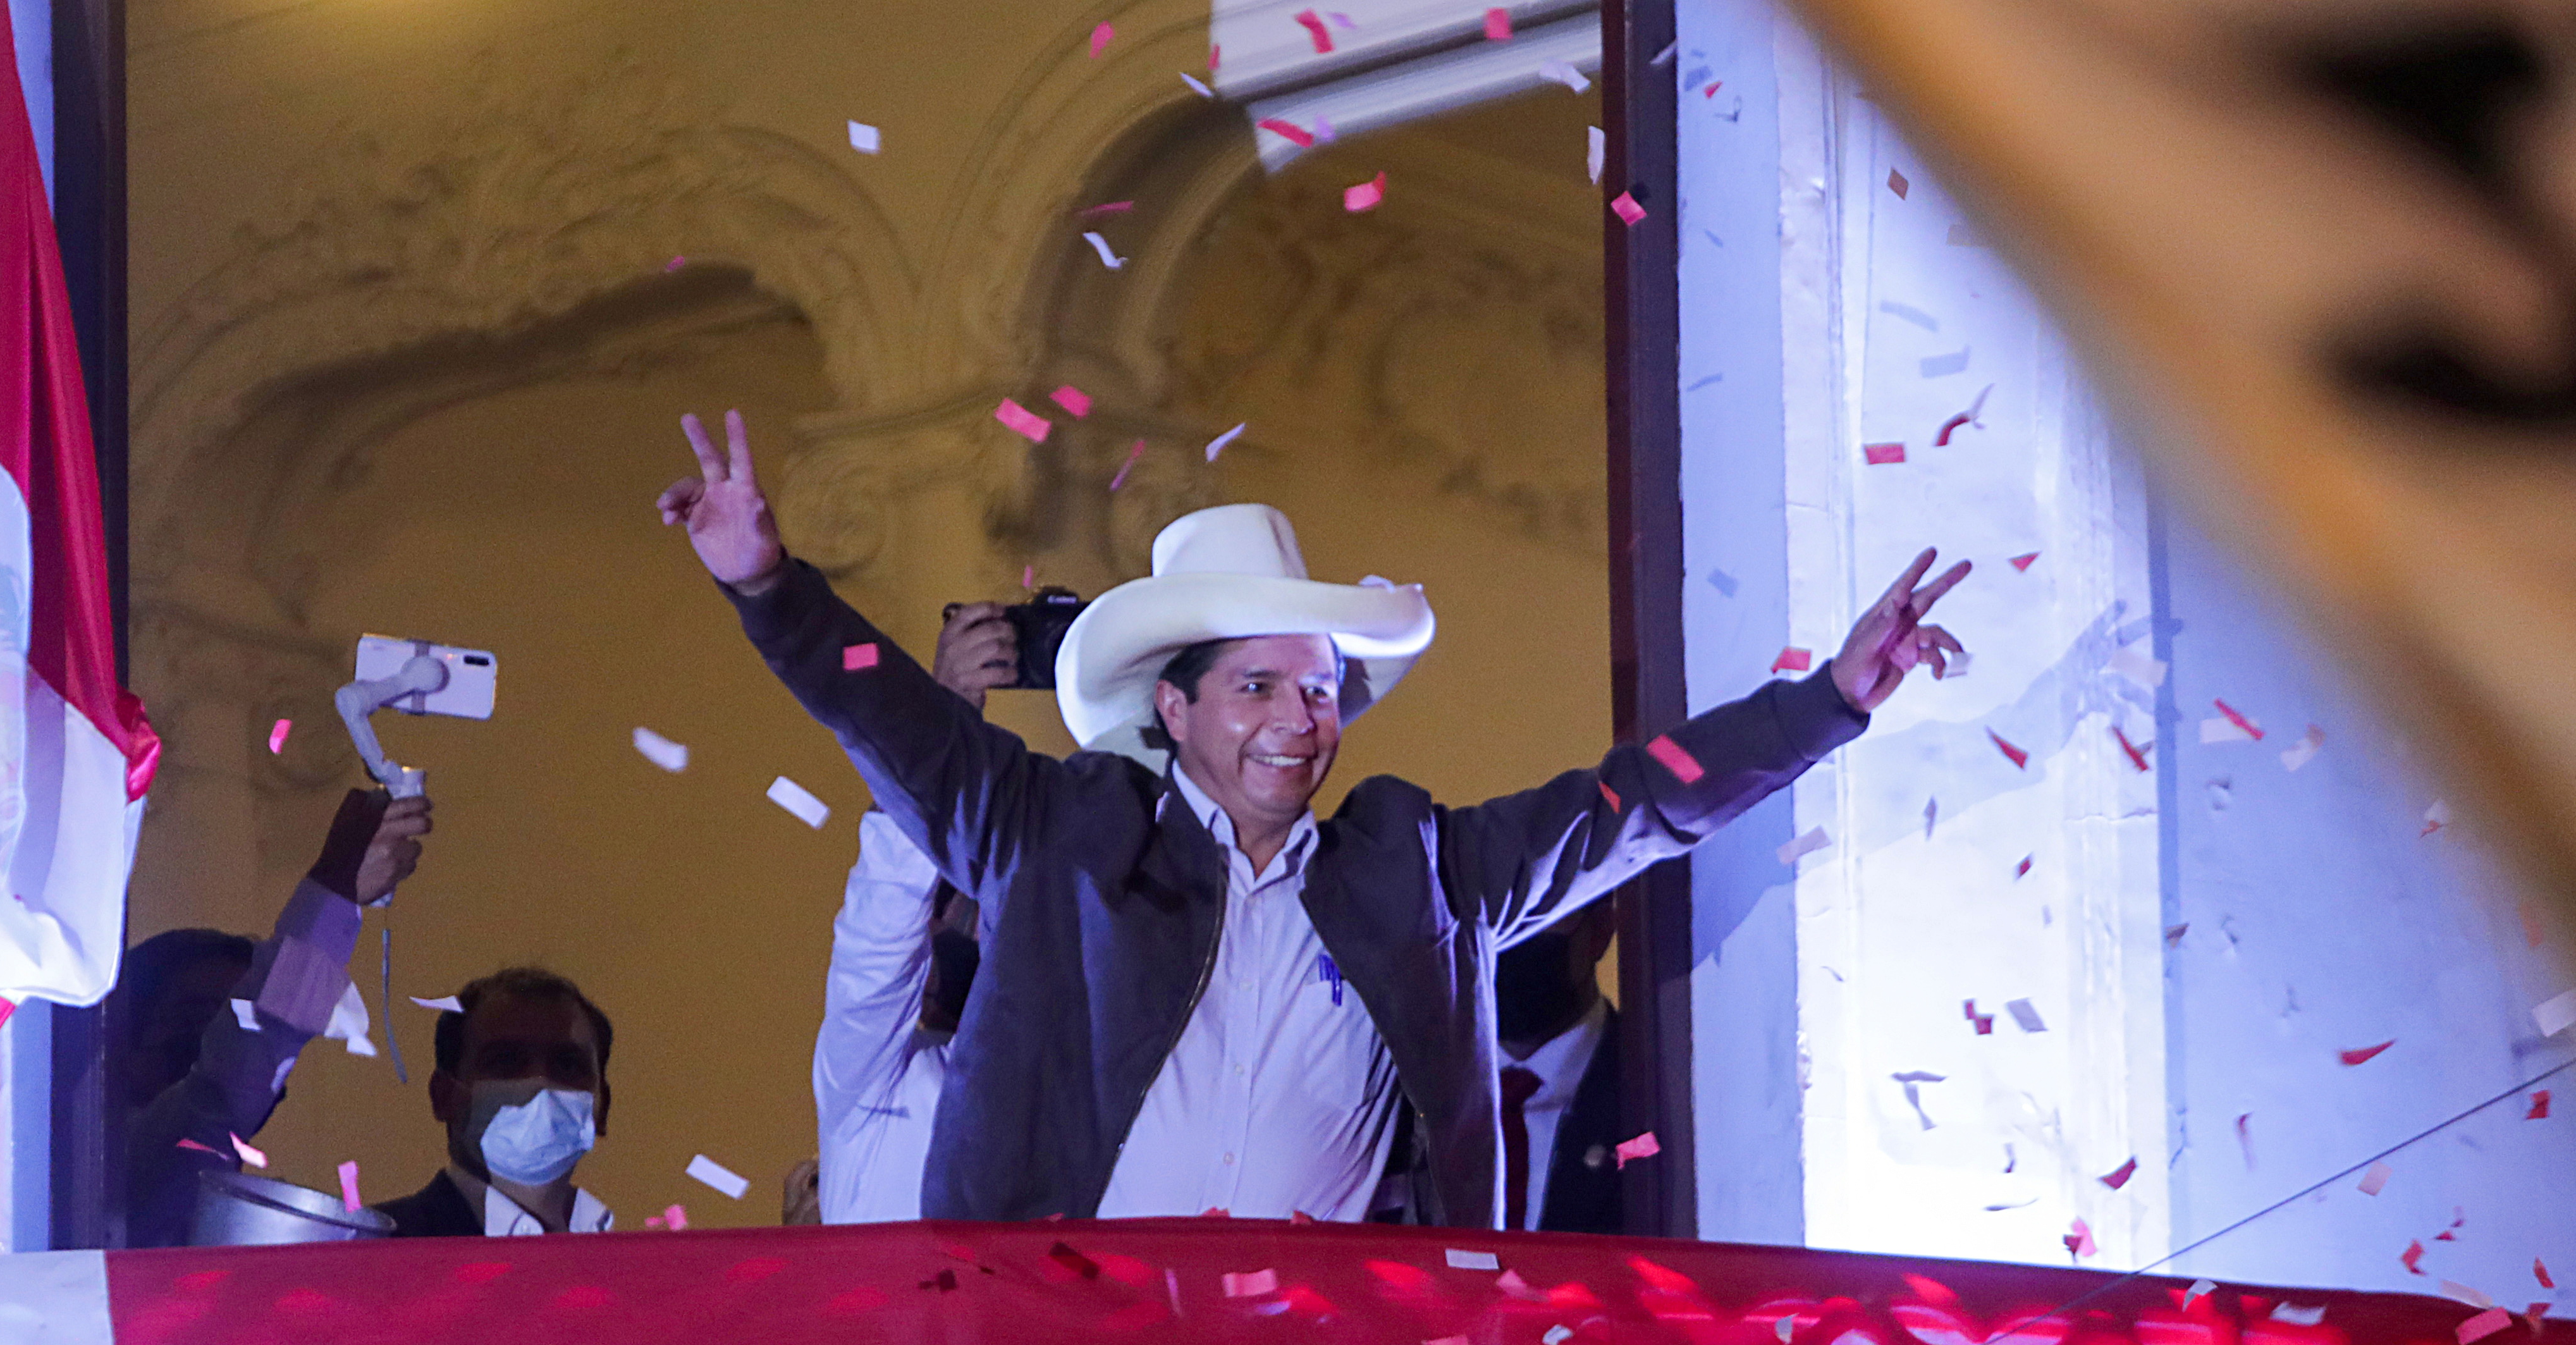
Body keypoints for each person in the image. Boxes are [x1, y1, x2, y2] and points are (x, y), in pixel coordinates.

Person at [658, 410, 1965, 1226]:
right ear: (1172, 707)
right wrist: (766, 582)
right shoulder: (1059, 833)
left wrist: (1829, 700)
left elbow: (1631, 808)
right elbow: (893, 725)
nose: (1300, 717)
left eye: (1322, 688)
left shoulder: (1415, 870)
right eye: (1258, 686)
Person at [115, 788, 432, 1247]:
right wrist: (335, 884)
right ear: (121, 1039)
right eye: (195, 1018)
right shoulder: (98, 1166)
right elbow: (225, 1082)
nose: (214, 1044)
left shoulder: (223, 1200)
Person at [812, 599, 1015, 1223]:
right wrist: (944, 715)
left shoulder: (1082, 1085)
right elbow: (881, 922)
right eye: (949, 898)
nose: (970, 922)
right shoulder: (870, 1081)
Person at [372, 967, 617, 1237]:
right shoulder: (368, 1248)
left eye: (568, 1065)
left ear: (602, 1105)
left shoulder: (629, 1256)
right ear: (443, 1096)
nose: (540, 1085)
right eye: (506, 1061)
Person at [1490, 898, 1624, 1233]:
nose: (1510, 937)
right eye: (1492, 916)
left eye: (1538, 912)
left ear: (1601, 928)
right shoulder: (1401, 1095)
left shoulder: (1660, 1095)